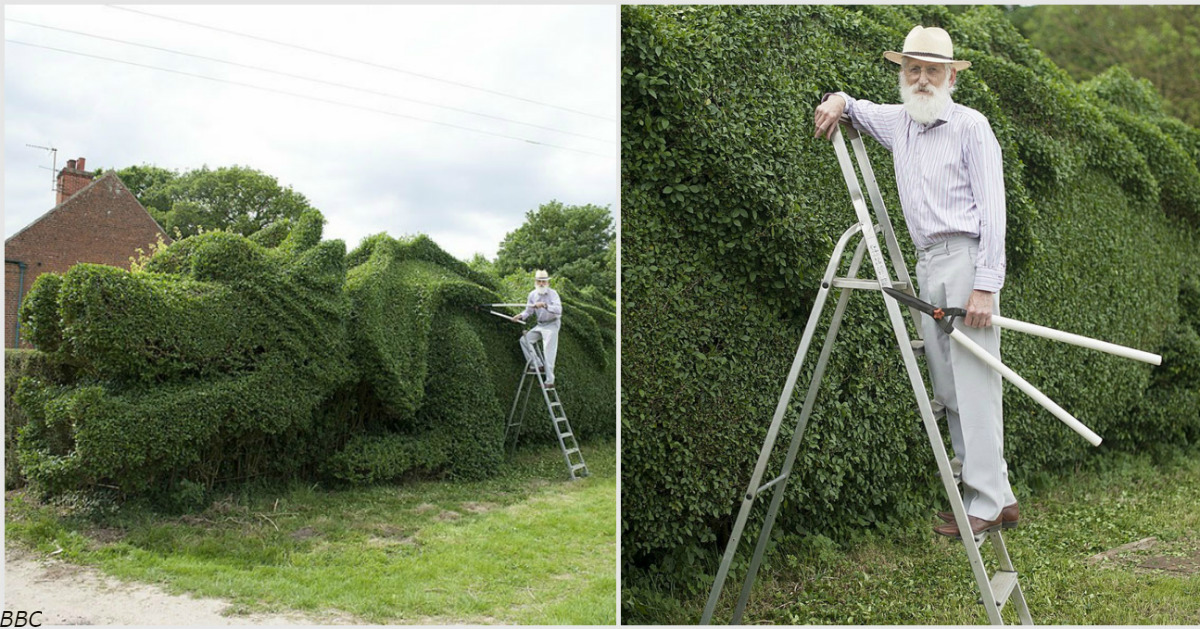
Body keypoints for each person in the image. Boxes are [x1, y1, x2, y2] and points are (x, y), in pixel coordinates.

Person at [813, 25, 1018, 538]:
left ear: (952, 76)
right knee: (949, 388)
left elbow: (995, 213)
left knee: (975, 384)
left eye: (932, 70)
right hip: (928, 265)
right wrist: (838, 99)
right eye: (912, 70)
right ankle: (996, 497)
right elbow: (855, 107)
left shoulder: (973, 127)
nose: (921, 78)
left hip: (967, 260)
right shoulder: (900, 121)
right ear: (902, 75)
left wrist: (986, 286)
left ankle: (988, 500)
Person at [511, 269, 563, 388]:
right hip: (540, 325)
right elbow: (528, 311)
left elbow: (559, 310)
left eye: (543, 281)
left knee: (548, 351)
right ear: (535, 282)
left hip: (552, 325)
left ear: (547, 283)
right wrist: (520, 316)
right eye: (539, 281)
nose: (541, 284)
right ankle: (537, 364)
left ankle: (549, 381)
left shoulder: (553, 294)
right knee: (524, 341)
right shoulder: (532, 295)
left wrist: (545, 305)